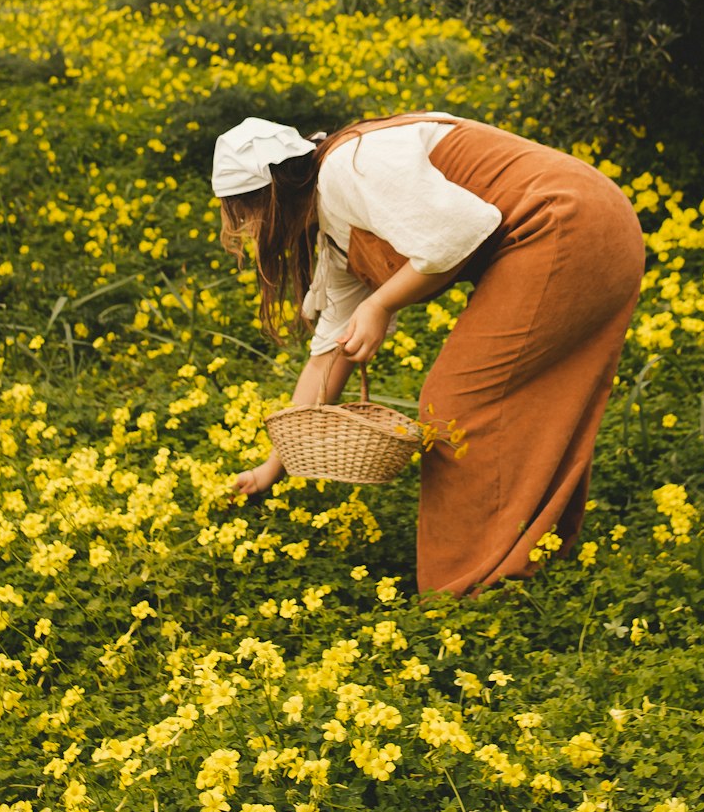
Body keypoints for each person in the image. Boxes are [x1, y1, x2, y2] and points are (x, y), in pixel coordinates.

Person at [213, 111, 645, 597]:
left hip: (565, 224)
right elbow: (329, 357)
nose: (249, 234)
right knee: (540, 401)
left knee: (457, 405)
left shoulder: (349, 169)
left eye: (245, 218)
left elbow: (459, 232)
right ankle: (534, 558)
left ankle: (464, 591)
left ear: (269, 200)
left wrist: (380, 303)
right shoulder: (334, 224)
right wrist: (273, 465)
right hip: (596, 221)